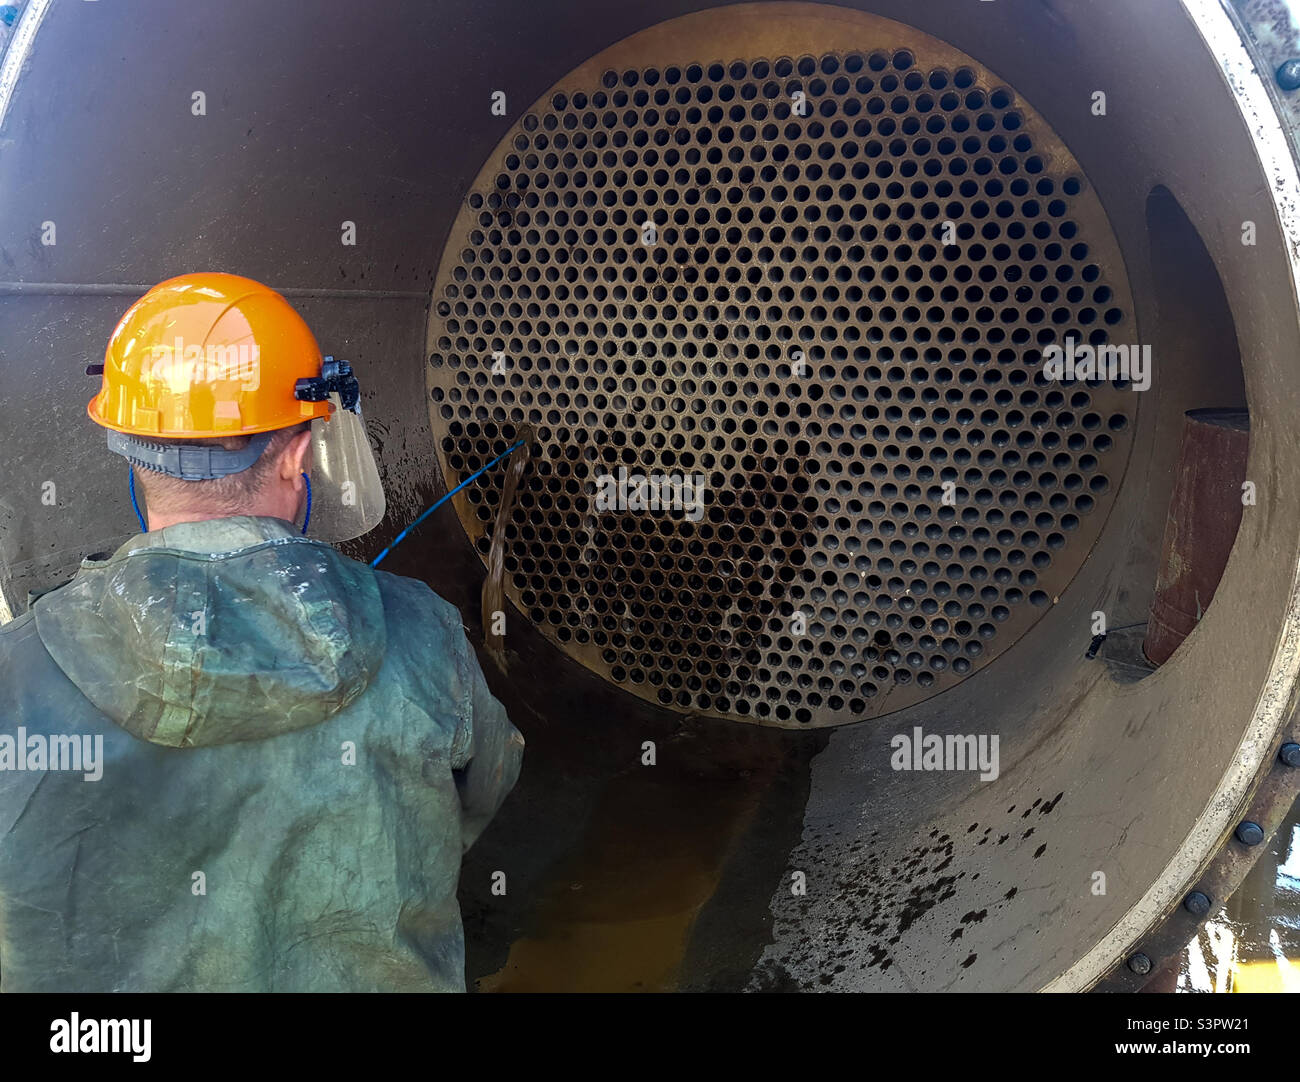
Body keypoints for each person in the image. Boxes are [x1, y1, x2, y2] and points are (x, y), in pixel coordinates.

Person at [0, 272, 523, 992]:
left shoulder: (17, 673)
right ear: (297, 453)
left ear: (131, 452)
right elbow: (478, 793)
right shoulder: (423, 632)